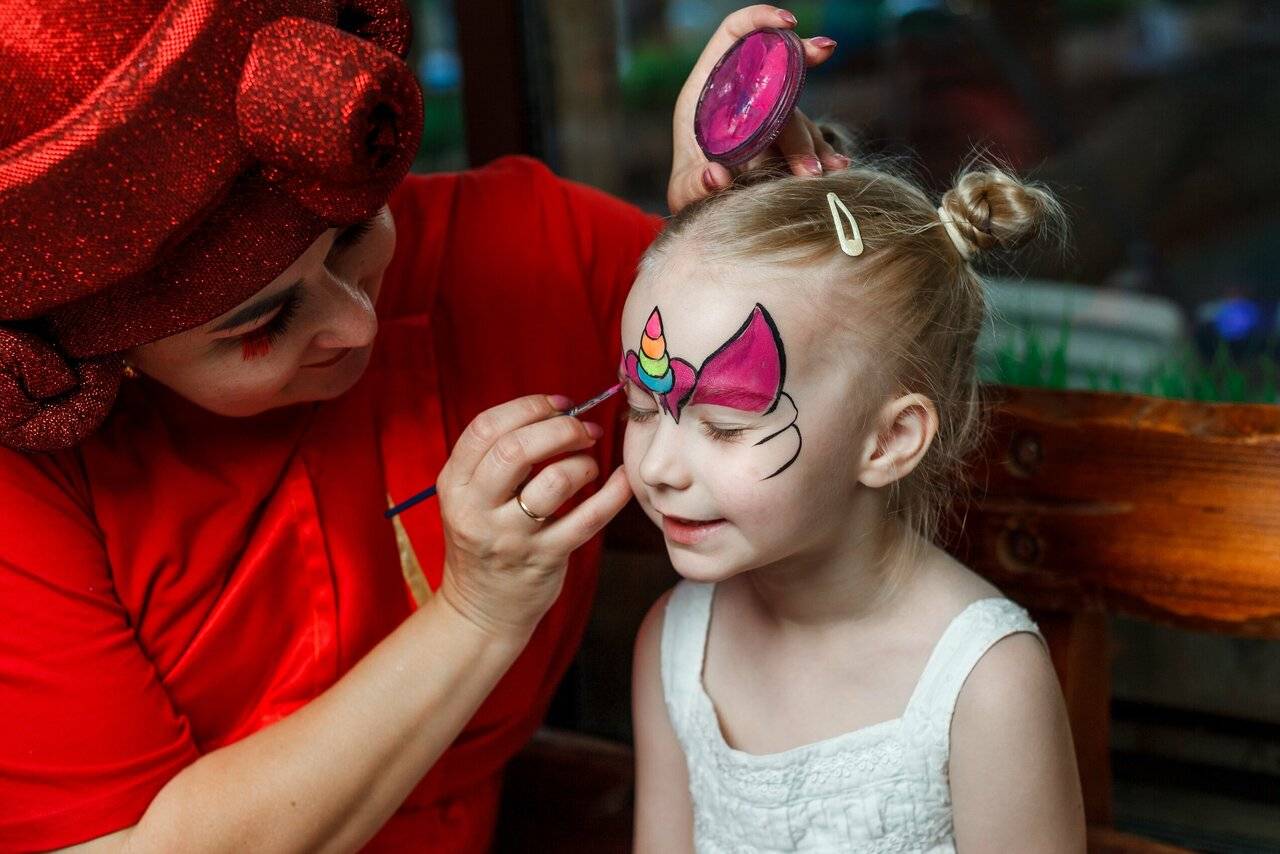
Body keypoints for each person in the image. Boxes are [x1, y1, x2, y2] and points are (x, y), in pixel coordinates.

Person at [0, 2, 844, 850]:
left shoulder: (524, 245)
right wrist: (477, 615)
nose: (358, 321)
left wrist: (739, 240)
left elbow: (833, 359)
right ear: (115, 357)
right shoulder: (30, 480)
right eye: (260, 324)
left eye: (355, 236)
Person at [626, 158, 1087, 851]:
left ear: (889, 440)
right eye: (640, 408)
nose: (658, 468)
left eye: (725, 427)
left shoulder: (984, 683)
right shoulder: (676, 647)